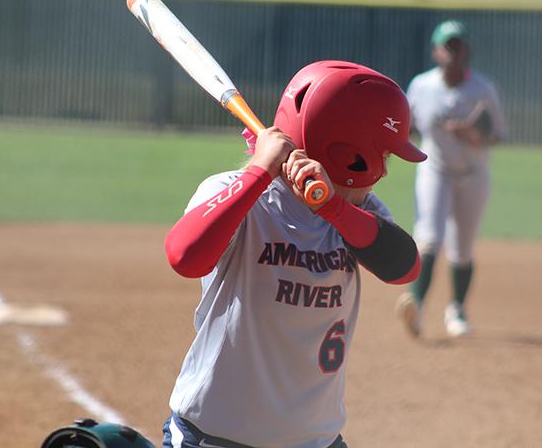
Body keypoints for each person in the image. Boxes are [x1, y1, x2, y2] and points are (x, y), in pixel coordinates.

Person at [161, 60, 426, 448]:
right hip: (215, 437)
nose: (383, 172)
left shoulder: (357, 212)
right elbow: (185, 255)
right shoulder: (237, 193)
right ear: (348, 152)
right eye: (382, 156)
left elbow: (404, 267)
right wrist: (259, 171)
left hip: (317, 441)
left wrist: (331, 207)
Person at [395, 20, 508, 339]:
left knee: (462, 247)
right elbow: (406, 124)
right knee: (429, 237)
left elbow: (498, 135)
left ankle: (457, 308)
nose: (454, 51)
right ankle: (415, 307)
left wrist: (474, 134)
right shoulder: (421, 86)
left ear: (467, 50)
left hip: (473, 175)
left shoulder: (482, 89)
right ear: (436, 51)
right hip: (435, 169)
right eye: (448, 45)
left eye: (458, 45)